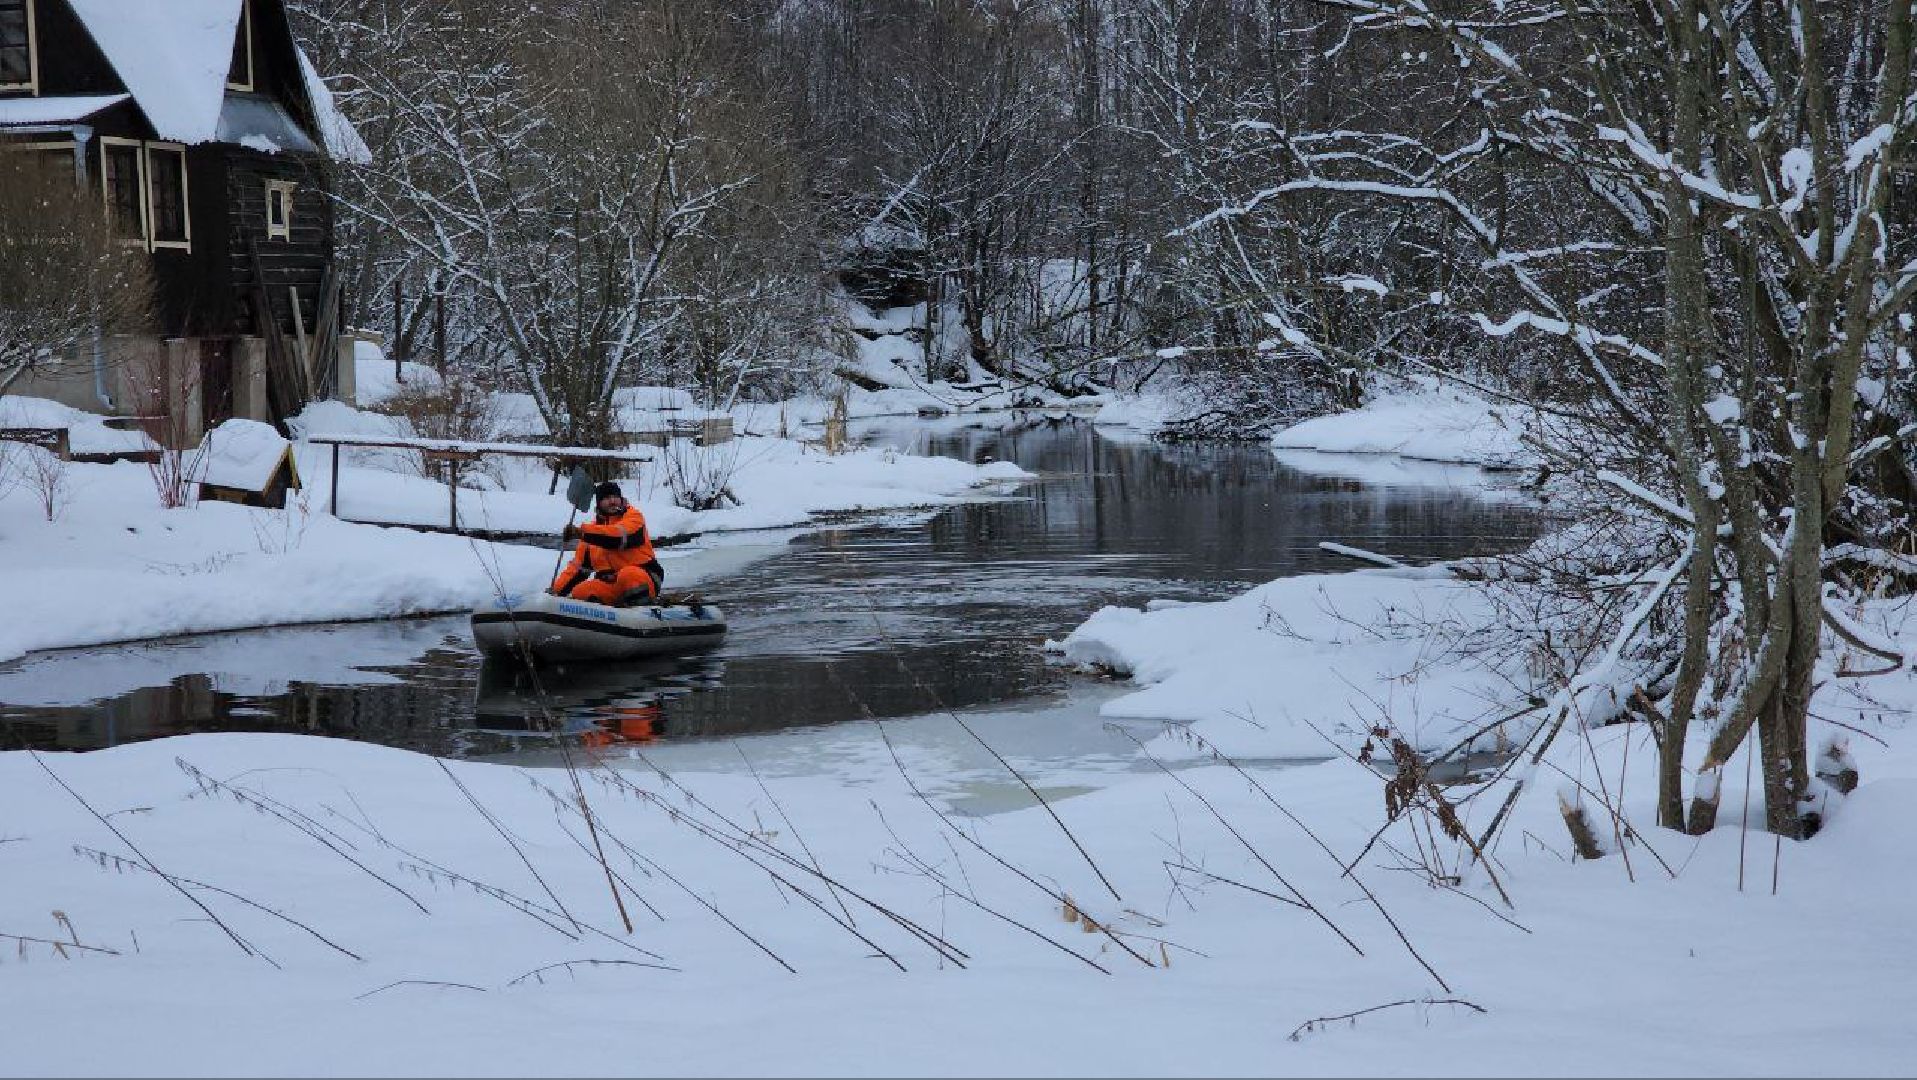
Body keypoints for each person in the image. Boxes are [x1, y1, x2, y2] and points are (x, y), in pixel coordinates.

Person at [550, 482, 664, 606]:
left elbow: (616, 536)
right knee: (580, 591)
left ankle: (643, 610)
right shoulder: (591, 534)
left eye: (615, 497)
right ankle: (609, 613)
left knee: (629, 575)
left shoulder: (634, 517)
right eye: (607, 498)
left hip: (644, 578)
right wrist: (554, 593)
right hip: (612, 584)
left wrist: (582, 533)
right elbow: (576, 570)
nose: (612, 501)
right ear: (599, 503)